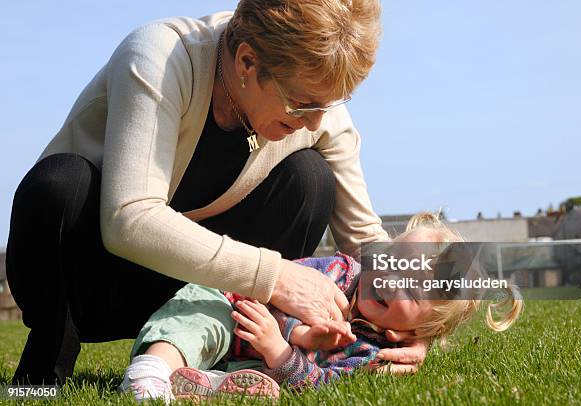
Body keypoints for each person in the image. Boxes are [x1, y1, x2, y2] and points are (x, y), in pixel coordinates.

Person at [5, 0, 428, 385]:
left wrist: (424, 327)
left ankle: (229, 363)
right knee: (60, 183)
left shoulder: (316, 102)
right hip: (93, 279)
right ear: (247, 61)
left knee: (310, 179)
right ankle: (43, 370)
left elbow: (367, 241)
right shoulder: (160, 54)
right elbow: (127, 220)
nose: (317, 122)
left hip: (205, 289)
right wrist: (276, 275)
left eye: (331, 104)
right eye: (302, 105)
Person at [119, 212, 523, 402]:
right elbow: (279, 287)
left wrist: (280, 354)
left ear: (414, 333)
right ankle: (152, 371)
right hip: (234, 312)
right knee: (200, 315)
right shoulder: (340, 271)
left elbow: (322, 383)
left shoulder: (372, 355)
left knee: (266, 384)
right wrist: (294, 332)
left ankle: (203, 385)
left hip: (249, 360)